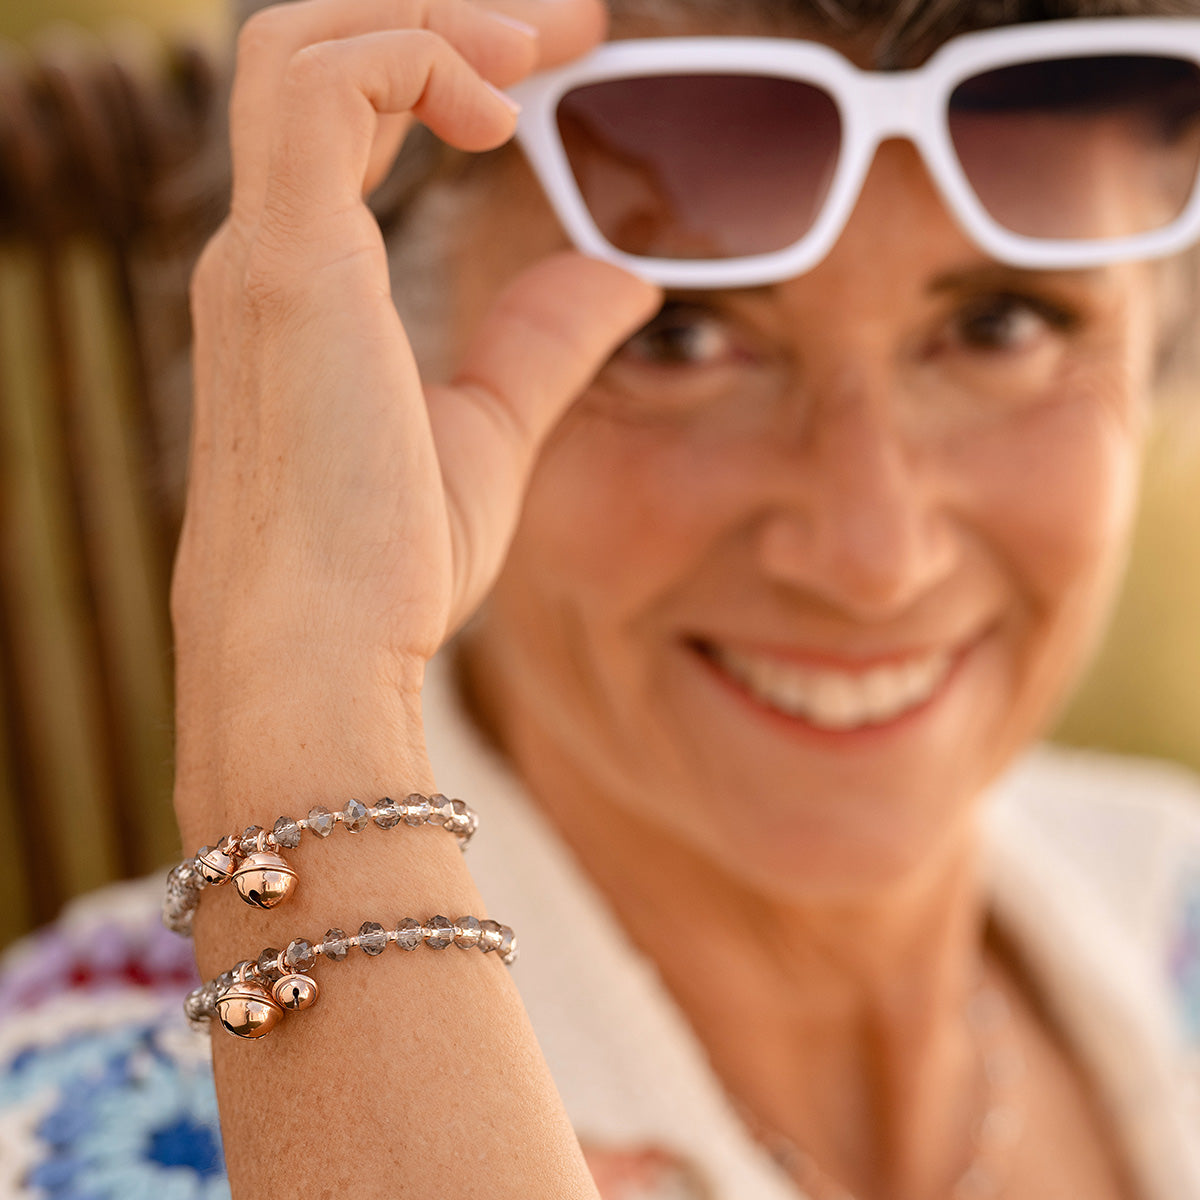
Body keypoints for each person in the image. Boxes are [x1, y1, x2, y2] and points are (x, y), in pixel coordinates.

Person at [2, 0, 1200, 1197]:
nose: (871, 553)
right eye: (675, 339)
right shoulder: (78, 1130)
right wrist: (302, 692)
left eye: (1002, 324)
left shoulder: (1176, 901)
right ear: (380, 370)